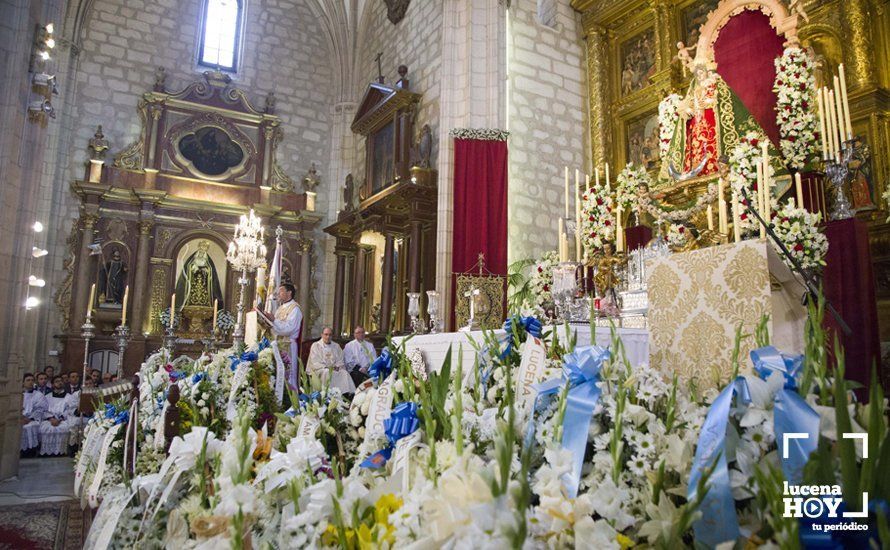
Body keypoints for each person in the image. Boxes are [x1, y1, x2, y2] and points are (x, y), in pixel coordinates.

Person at [257, 283, 303, 390]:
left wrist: (274, 320)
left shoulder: (295, 309)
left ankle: (291, 396)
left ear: (289, 293)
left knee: (289, 373)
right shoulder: (280, 308)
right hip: (278, 344)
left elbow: (289, 329)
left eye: (281, 291)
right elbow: (274, 327)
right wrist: (266, 321)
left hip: (288, 344)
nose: (278, 293)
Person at [306, 327, 356, 394]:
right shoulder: (316, 346)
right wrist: (327, 367)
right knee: (327, 373)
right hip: (320, 370)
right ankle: (326, 394)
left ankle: (345, 394)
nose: (328, 337)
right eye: (326, 334)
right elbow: (315, 361)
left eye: (330, 335)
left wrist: (337, 367)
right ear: (322, 335)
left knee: (344, 373)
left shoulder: (336, 346)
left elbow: (340, 360)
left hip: (334, 369)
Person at [39, 376, 75, 456]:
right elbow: (44, 410)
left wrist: (59, 419)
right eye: (57, 381)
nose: (59, 383)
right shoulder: (47, 397)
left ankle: (61, 451)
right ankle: (47, 452)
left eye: (61, 381)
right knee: (46, 428)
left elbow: (69, 410)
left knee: (64, 428)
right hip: (49, 420)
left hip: (63, 420)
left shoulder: (69, 397)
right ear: (52, 384)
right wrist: (51, 418)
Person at [21, 373, 46, 456]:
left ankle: (30, 451)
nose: (30, 382)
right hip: (20, 419)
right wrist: (21, 417)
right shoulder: (19, 395)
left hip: (33, 419)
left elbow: (41, 409)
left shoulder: (39, 395)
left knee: (30, 427)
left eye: (32, 380)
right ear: (23, 383)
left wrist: (30, 419)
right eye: (28, 380)